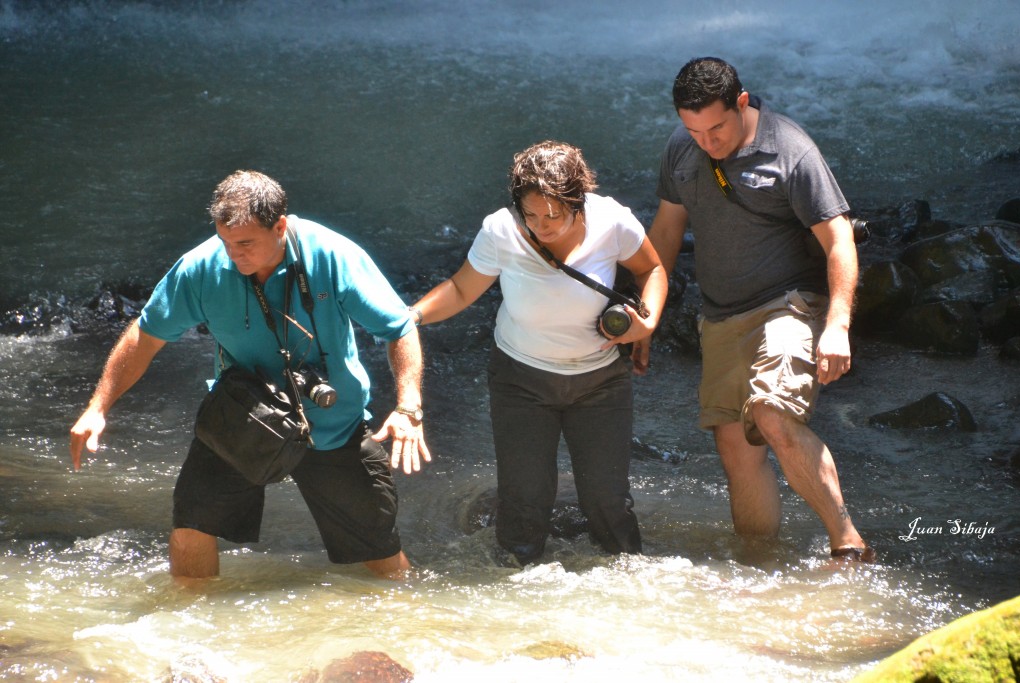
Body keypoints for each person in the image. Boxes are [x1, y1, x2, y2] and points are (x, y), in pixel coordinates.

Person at [69, 170, 431, 580]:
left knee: (382, 556)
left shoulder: (333, 256)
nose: (234, 255)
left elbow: (399, 328)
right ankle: (188, 626)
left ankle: (409, 633)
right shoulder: (201, 267)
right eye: (225, 242)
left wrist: (408, 407)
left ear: (280, 226)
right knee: (190, 530)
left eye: (245, 244)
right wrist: (98, 407)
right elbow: (145, 336)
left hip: (333, 422)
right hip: (245, 417)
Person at [641, 57, 874, 562]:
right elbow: (664, 233)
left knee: (771, 411)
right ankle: (759, 564)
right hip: (721, 316)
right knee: (737, 450)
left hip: (789, 303)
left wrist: (837, 324)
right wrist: (644, 318)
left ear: (742, 103)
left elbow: (839, 241)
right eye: (693, 129)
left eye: (716, 127)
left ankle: (848, 542)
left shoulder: (791, 150)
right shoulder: (682, 150)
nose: (707, 141)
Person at [411, 141, 667, 564]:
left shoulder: (613, 222)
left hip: (600, 383)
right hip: (521, 381)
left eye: (553, 216)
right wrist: (410, 317)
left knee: (608, 501)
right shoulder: (501, 230)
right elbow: (460, 289)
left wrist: (649, 321)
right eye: (531, 215)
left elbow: (651, 269)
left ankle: (628, 586)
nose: (542, 227)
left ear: (577, 201)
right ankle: (514, 587)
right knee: (523, 501)